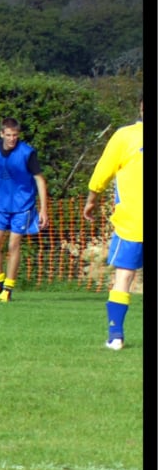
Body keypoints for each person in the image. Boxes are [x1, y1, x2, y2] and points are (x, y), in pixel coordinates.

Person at [81, 98, 142, 351]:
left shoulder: (125, 136)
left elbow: (102, 172)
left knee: (124, 277)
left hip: (132, 222)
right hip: (133, 221)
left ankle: (115, 336)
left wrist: (91, 199)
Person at [0, 118, 47, 302]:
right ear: (2, 134)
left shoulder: (27, 153)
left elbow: (40, 180)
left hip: (22, 206)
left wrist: (43, 210)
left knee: (13, 245)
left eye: (15, 135)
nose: (12, 139)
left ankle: (8, 288)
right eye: (8, 135)